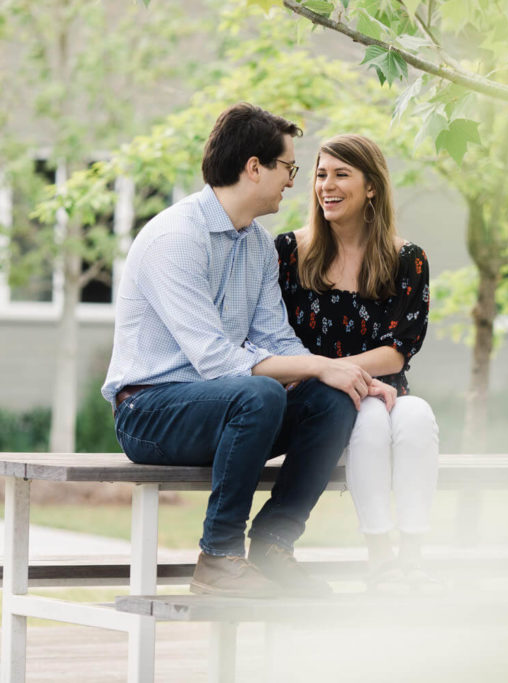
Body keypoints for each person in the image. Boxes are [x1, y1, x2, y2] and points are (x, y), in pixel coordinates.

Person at [102, 104, 393, 597]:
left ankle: (273, 545)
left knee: (331, 397)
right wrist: (321, 364)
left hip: (226, 407)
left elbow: (276, 338)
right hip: (150, 412)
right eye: (290, 168)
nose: (293, 182)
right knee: (258, 392)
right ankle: (218, 557)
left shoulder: (256, 245)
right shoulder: (175, 238)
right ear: (254, 167)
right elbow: (217, 361)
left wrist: (342, 375)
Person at [274, 134, 439, 588]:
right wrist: (337, 376)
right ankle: (380, 558)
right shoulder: (288, 252)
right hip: (321, 404)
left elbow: (399, 349)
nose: (327, 185)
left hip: (389, 393)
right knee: (367, 416)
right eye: (321, 175)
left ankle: (413, 557)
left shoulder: (408, 259)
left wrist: (352, 370)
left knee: (418, 415)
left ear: (371, 187)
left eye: (341, 174)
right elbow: (274, 336)